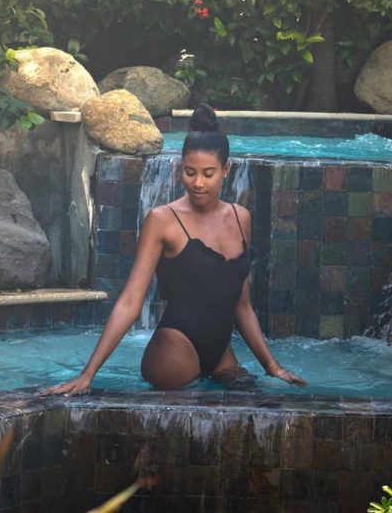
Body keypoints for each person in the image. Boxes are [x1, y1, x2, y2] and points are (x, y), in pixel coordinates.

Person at [41, 104, 305, 396]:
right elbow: (130, 301)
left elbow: (241, 305)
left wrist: (273, 367)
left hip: (221, 354)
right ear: (181, 168)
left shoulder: (241, 218)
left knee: (254, 403)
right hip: (173, 353)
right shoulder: (163, 220)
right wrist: (87, 375)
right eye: (190, 172)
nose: (198, 183)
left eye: (208, 173)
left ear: (226, 170)